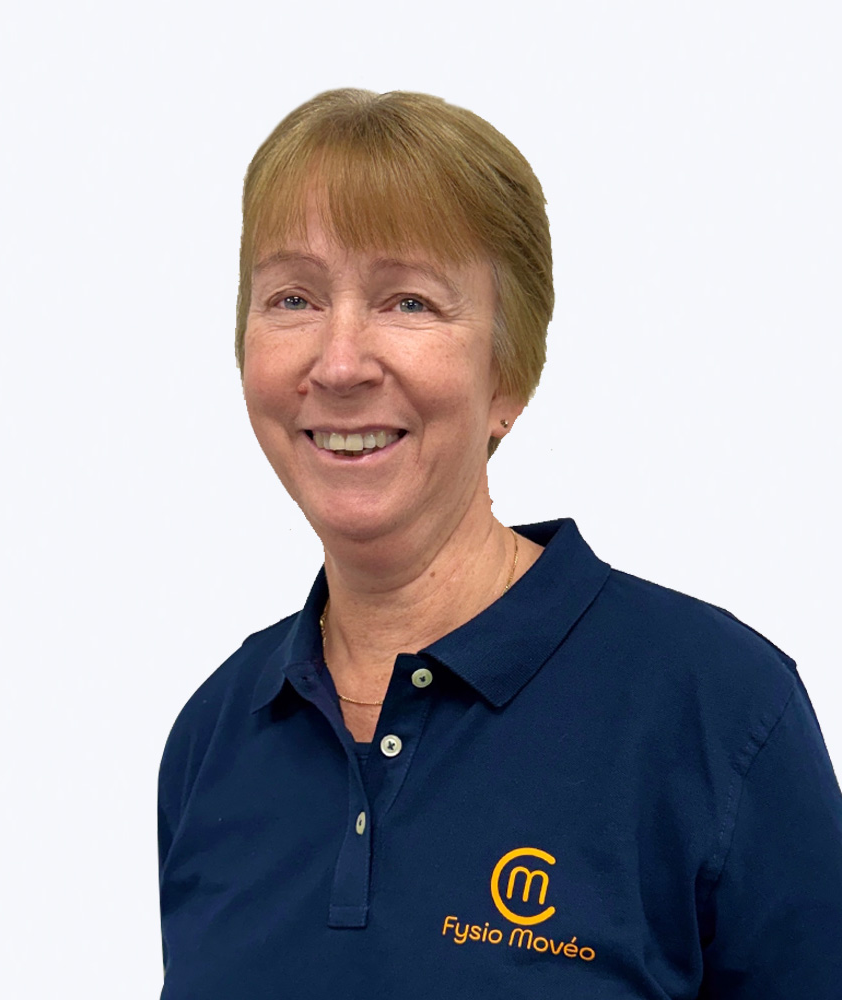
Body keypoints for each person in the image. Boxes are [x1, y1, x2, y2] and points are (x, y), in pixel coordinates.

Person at [157, 89, 842, 998]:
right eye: (293, 298)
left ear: (508, 374)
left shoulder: (717, 711)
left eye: (409, 301)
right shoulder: (214, 738)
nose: (340, 361)